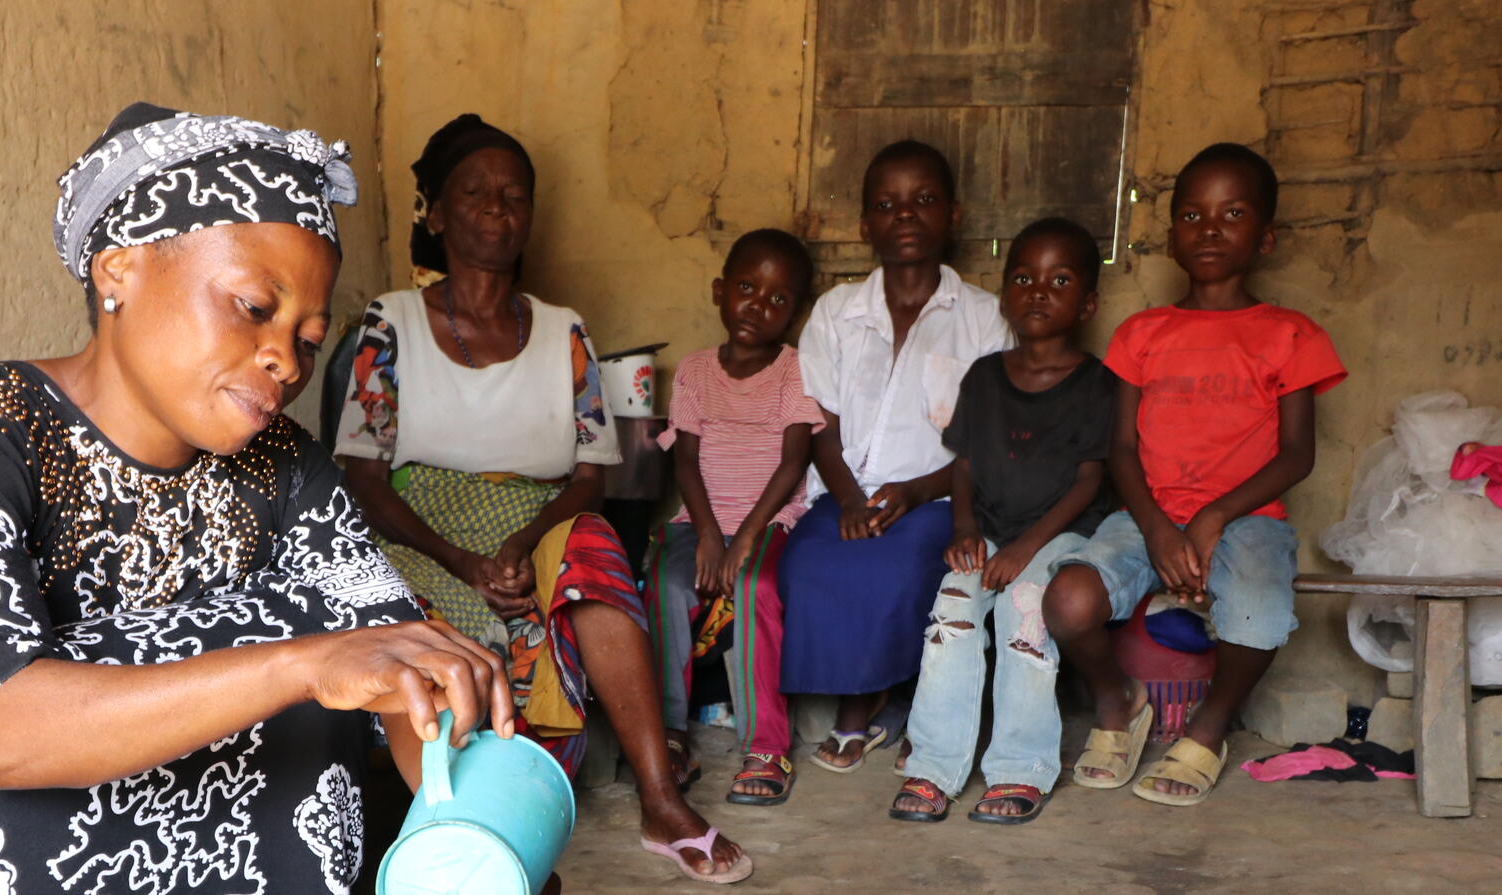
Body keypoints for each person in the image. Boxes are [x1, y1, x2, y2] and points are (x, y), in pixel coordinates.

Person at [0, 103, 513, 895]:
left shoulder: (287, 469)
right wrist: (306, 665)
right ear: (118, 270)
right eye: (254, 307)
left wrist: (465, 805)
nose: (285, 360)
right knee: (305, 656)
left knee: (345, 657)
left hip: (191, 843)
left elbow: (391, 666)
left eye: (306, 338)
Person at [335, 114, 750, 885]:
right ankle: (469, 825)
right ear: (436, 214)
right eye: (475, 192)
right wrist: (459, 559)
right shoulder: (391, 324)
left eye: (514, 195)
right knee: (404, 621)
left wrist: (525, 541)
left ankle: (660, 797)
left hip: (538, 518)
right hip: (422, 530)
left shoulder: (565, 332)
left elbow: (591, 474)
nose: (498, 208)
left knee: (592, 543)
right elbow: (361, 476)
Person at [1042, 142, 1347, 807]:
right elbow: (1121, 448)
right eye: (1192, 215)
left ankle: (1209, 727)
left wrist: (1212, 517)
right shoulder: (1141, 333)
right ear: (1173, 234)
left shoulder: (1291, 334)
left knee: (1259, 612)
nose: (1209, 229)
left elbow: (1298, 455)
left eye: (1231, 213)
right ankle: (1117, 701)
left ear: (1265, 236)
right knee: (1067, 600)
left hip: (1247, 520)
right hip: (1146, 515)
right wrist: (1155, 527)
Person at [782, 140, 1014, 773]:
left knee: (905, 565)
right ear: (865, 225)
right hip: (844, 492)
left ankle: (866, 709)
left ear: (954, 216)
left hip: (940, 495)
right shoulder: (837, 312)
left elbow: (987, 437)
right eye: (886, 204)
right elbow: (817, 423)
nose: (905, 215)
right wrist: (852, 500)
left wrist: (913, 493)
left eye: (924, 200)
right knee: (806, 566)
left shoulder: (983, 318)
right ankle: (871, 690)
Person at [886, 218, 1116, 825]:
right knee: (953, 613)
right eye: (1023, 278)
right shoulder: (985, 377)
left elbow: (1090, 481)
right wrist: (965, 530)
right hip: (989, 529)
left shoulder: (1098, 385)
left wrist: (1025, 551)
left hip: (1060, 533)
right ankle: (934, 766)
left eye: (1058, 279)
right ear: (1006, 292)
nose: (1038, 290)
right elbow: (964, 464)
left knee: (1025, 611)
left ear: (1088, 301)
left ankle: (1020, 767)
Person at [643, 229, 822, 808]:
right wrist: (704, 534)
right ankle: (669, 733)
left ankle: (767, 744)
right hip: (699, 520)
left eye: (777, 299)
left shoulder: (796, 371)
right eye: (746, 287)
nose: (758, 306)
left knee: (756, 586)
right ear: (720, 291)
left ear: (796, 311)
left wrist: (745, 536)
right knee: (665, 586)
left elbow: (794, 461)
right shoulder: (696, 372)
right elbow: (686, 462)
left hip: (768, 520)